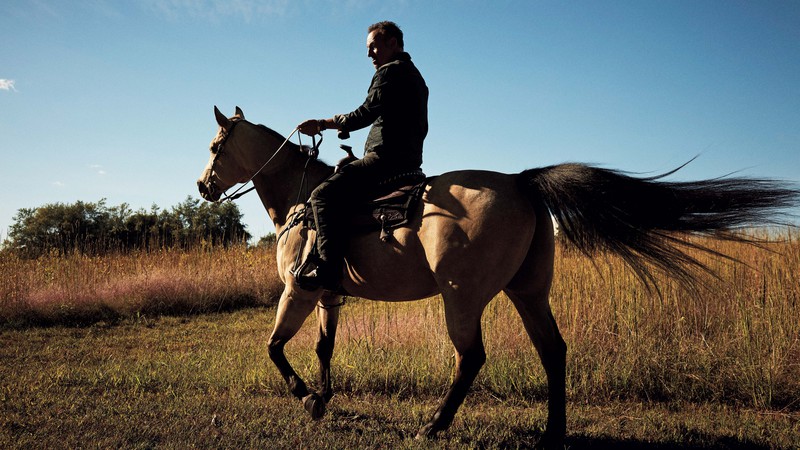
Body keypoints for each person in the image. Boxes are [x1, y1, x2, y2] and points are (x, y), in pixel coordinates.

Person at [295, 21, 429, 291]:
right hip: (409, 162)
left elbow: (364, 113)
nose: (369, 54)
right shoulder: (416, 76)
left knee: (321, 195)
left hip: (384, 160)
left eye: (374, 46)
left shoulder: (389, 72)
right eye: (368, 49)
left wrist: (323, 124)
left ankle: (328, 269)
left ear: (393, 42)